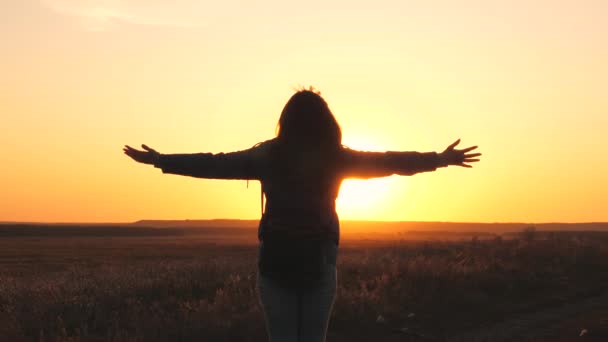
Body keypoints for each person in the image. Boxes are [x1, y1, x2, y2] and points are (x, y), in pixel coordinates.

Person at [123, 88, 481, 342]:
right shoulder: (337, 157)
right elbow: (388, 162)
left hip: (275, 263)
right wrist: (438, 159)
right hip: (319, 262)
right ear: (327, 122)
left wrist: (161, 161)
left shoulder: (267, 156)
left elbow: (213, 165)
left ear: (285, 121)